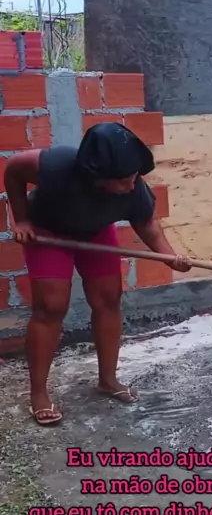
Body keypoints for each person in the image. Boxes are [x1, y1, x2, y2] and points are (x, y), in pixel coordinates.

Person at [4, 122, 192, 426]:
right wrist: (22, 220)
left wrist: (170, 258)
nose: (131, 185)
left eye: (134, 176)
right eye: (123, 180)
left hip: (95, 232)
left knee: (108, 299)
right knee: (51, 307)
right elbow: (13, 169)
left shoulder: (134, 187)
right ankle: (38, 393)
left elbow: (147, 225)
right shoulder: (55, 166)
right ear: (97, 175)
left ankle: (108, 380)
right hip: (48, 232)